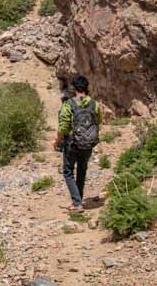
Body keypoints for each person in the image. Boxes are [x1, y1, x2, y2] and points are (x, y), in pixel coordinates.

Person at [53, 74, 101, 212]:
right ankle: (78, 202)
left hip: (72, 143)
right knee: (82, 170)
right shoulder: (95, 104)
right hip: (88, 143)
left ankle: (77, 202)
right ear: (86, 88)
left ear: (74, 88)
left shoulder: (69, 104)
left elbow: (63, 127)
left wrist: (57, 141)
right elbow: (98, 121)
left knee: (68, 172)